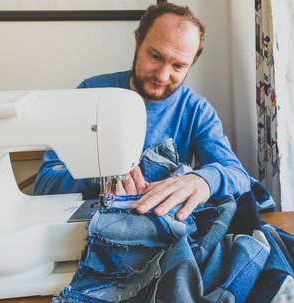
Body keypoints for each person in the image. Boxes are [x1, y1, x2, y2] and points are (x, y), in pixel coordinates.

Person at [34, 3, 251, 221]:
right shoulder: (89, 94)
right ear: (138, 40)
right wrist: (96, 177)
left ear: (192, 63)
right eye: (156, 57)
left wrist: (204, 180)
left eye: (178, 66)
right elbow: (45, 184)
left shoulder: (197, 110)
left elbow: (238, 175)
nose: (163, 76)